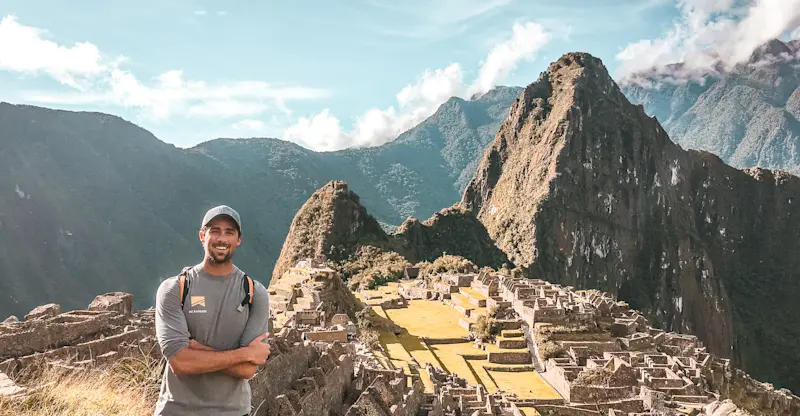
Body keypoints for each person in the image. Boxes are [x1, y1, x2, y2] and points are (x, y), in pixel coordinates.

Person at [153, 205, 271, 416]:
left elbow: (248, 370)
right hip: (176, 410)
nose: (221, 238)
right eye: (214, 230)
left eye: (229, 232)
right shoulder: (175, 289)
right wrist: (244, 354)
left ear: (238, 239)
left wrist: (196, 350)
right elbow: (180, 362)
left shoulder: (254, 293)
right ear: (202, 235)